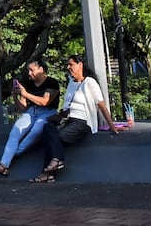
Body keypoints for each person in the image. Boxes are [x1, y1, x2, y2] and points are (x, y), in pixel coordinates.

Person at [30, 53, 119, 183]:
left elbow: (101, 104)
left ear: (80, 65)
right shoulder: (71, 82)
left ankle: (50, 168)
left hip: (82, 121)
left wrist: (112, 126)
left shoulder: (90, 82)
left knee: (59, 137)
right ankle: (53, 165)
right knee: (47, 129)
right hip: (67, 118)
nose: (68, 67)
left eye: (71, 64)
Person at [0, 59, 61, 176]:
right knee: (15, 132)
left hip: (47, 112)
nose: (29, 73)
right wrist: (16, 96)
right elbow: (23, 108)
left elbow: (45, 102)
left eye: (32, 70)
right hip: (31, 112)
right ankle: (3, 165)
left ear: (41, 69)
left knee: (35, 132)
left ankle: (13, 154)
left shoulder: (52, 82)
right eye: (28, 71)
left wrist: (25, 94)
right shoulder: (28, 84)